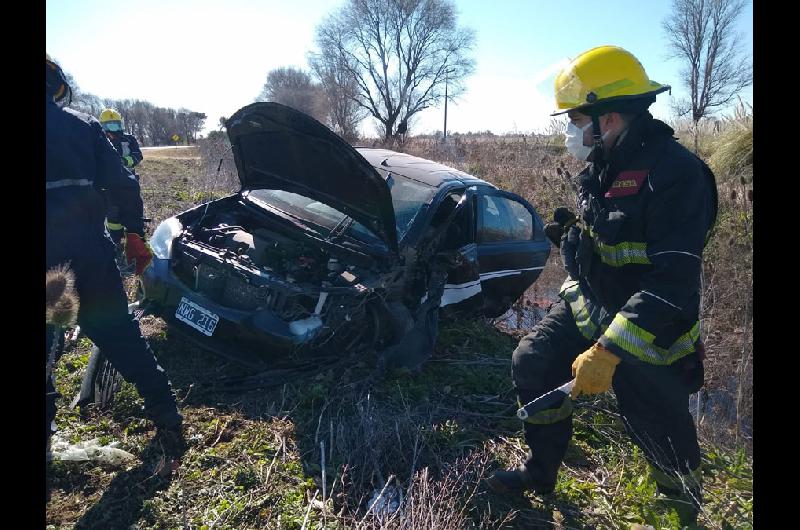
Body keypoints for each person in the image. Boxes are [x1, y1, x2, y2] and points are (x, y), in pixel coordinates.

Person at [486, 46, 718, 526]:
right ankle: (541, 472)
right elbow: (613, 239)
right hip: (590, 304)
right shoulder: (603, 164)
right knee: (533, 362)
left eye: (575, 120)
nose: (571, 131)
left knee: (660, 431)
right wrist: (574, 239)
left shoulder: (678, 175)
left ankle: (683, 512)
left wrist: (610, 351)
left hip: (649, 328)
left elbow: (672, 281)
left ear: (608, 117)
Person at [46, 53, 182, 455]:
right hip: (89, 258)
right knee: (121, 336)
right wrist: (135, 236)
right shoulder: (82, 125)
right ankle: (167, 416)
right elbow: (124, 185)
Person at [98, 108, 144, 245]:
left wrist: (124, 161)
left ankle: (137, 238)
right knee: (113, 212)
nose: (114, 129)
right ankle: (116, 239)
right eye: (110, 125)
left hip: (129, 181)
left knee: (134, 208)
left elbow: (138, 155)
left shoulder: (129, 139)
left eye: (117, 124)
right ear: (103, 127)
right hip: (109, 184)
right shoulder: (99, 140)